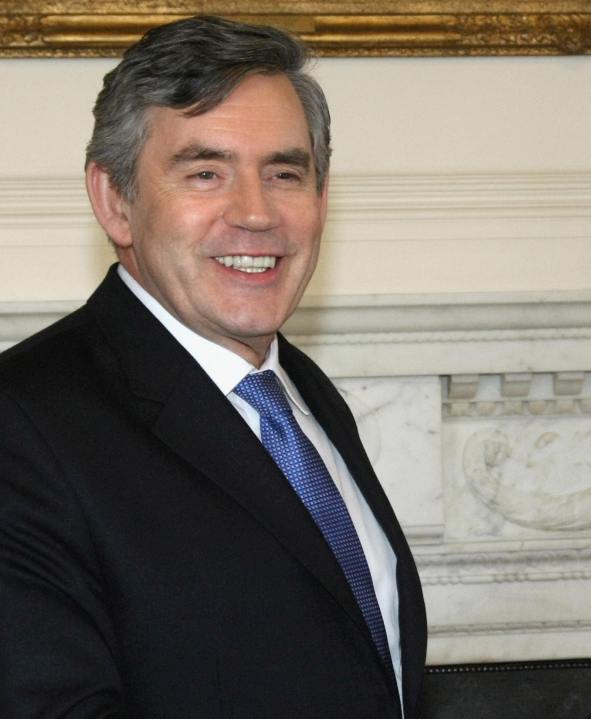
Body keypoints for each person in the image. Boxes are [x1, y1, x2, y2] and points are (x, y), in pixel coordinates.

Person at [0, 16, 425, 718]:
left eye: (284, 173)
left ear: (322, 199)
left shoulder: (302, 395)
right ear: (115, 201)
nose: (256, 213)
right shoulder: (23, 428)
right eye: (205, 173)